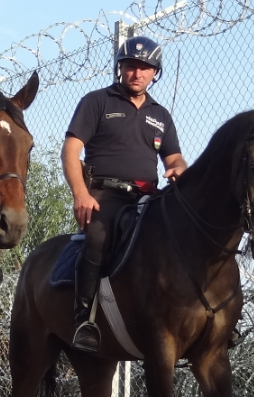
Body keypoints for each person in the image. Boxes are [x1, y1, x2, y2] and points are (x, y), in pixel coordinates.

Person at [61, 36, 188, 353]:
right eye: (132, 66)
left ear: (155, 73)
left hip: (148, 197)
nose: (138, 74)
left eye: (146, 68)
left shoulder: (161, 115)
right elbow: (71, 150)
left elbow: (173, 158)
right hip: (105, 195)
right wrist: (80, 194)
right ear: (121, 68)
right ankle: (84, 320)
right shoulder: (97, 102)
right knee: (98, 238)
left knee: (186, 234)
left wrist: (179, 169)